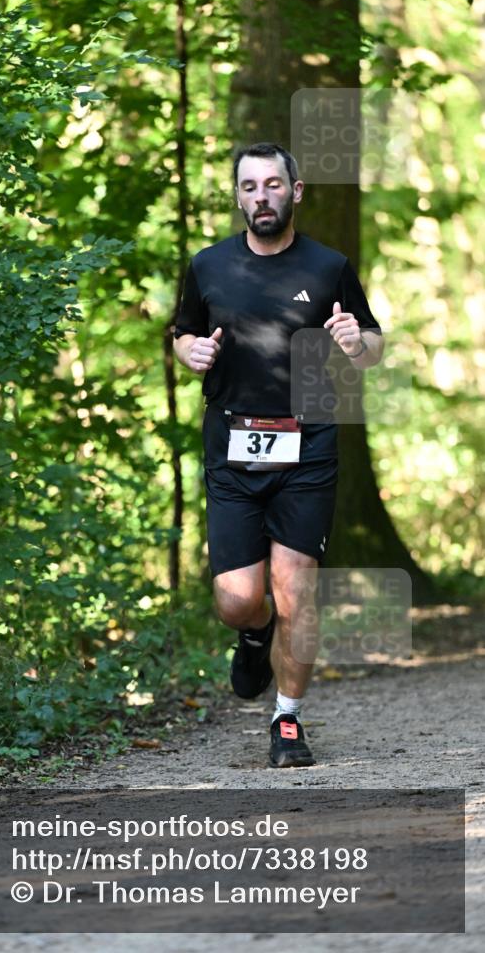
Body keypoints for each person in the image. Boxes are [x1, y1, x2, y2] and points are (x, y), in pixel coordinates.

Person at [173, 142, 384, 768]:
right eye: (248, 187)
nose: (260, 197)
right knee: (238, 597)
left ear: (295, 192)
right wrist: (188, 352)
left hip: (308, 442)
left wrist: (357, 342)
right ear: (237, 196)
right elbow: (182, 333)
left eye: (272, 185)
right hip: (232, 444)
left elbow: (371, 343)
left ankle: (287, 720)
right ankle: (253, 631)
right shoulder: (208, 266)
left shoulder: (329, 266)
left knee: (297, 588)